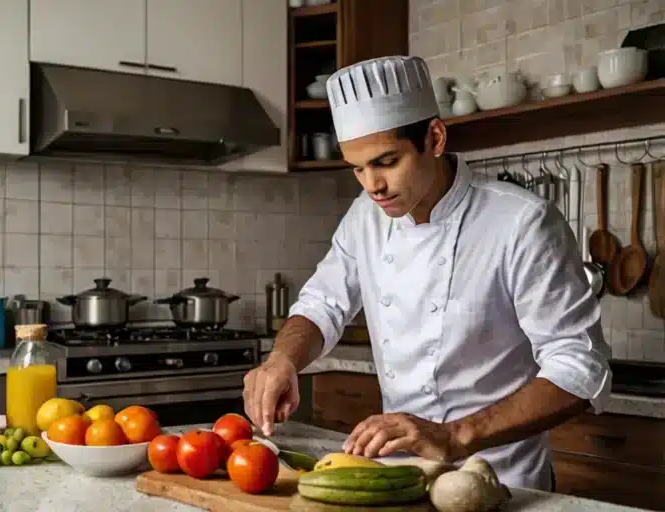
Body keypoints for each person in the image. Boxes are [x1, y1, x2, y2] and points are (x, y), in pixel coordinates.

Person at [242, 55, 612, 491]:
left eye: (385, 161)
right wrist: (283, 359)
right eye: (357, 168)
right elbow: (322, 303)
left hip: (504, 483)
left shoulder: (522, 222)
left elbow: (579, 366)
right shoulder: (366, 216)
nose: (372, 185)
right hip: (400, 480)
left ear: (434, 138)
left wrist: (455, 435)